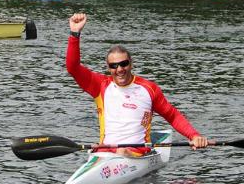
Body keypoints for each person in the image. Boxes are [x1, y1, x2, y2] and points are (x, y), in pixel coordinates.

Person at [65, 13, 209, 157]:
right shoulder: (100, 85)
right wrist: (75, 33)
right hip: (105, 152)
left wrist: (194, 136)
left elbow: (172, 116)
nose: (119, 69)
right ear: (108, 67)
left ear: (131, 64)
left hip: (137, 153)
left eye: (124, 64)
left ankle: (123, 155)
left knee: (122, 151)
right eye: (114, 66)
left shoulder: (149, 88)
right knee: (112, 151)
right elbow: (73, 68)